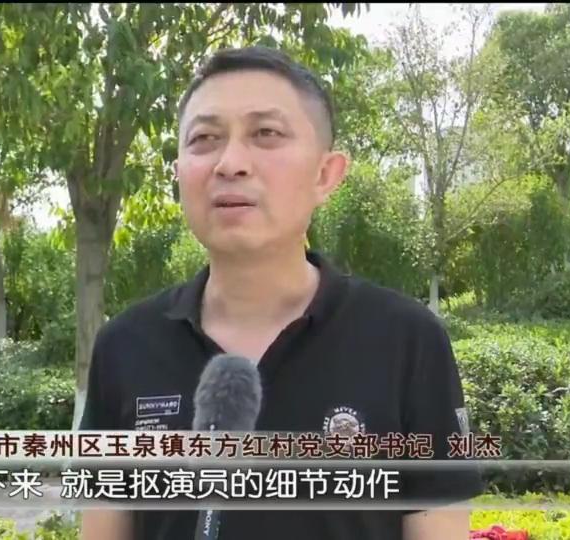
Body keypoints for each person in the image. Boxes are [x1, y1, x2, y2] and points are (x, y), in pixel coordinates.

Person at [79, 45, 483, 540]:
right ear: (179, 172)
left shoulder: (407, 340)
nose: (230, 163)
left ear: (325, 174)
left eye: (265, 134)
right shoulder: (124, 346)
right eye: (204, 139)